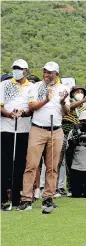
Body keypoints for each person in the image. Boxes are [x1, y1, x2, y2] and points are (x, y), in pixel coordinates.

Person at [17, 61, 70, 212]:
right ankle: (26, 199)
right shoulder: (36, 87)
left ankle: (48, 198)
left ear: (56, 74)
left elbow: (67, 111)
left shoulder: (63, 89)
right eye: (45, 72)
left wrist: (61, 103)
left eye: (50, 72)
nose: (47, 75)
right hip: (38, 129)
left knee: (52, 167)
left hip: (56, 130)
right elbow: (32, 107)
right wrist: (46, 100)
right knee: (31, 165)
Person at [1, 59, 33, 210]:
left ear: (26, 71)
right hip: (6, 128)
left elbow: (32, 108)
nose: (16, 70)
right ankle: (3, 198)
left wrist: (23, 113)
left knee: (19, 164)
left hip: (23, 129)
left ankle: (16, 197)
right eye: (14, 68)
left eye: (19, 68)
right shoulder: (4, 85)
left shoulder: (32, 87)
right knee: (5, 164)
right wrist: (8, 114)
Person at [55, 85, 86, 197]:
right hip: (64, 133)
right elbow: (70, 107)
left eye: (81, 91)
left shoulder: (83, 107)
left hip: (77, 136)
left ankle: (70, 187)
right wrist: (84, 99)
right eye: (77, 91)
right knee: (58, 161)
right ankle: (56, 188)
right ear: (72, 93)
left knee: (70, 162)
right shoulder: (70, 101)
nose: (79, 92)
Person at [67, 110, 86, 198]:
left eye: (85, 121)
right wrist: (74, 143)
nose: (83, 123)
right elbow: (68, 151)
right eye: (81, 121)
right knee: (76, 194)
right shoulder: (73, 131)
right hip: (76, 167)